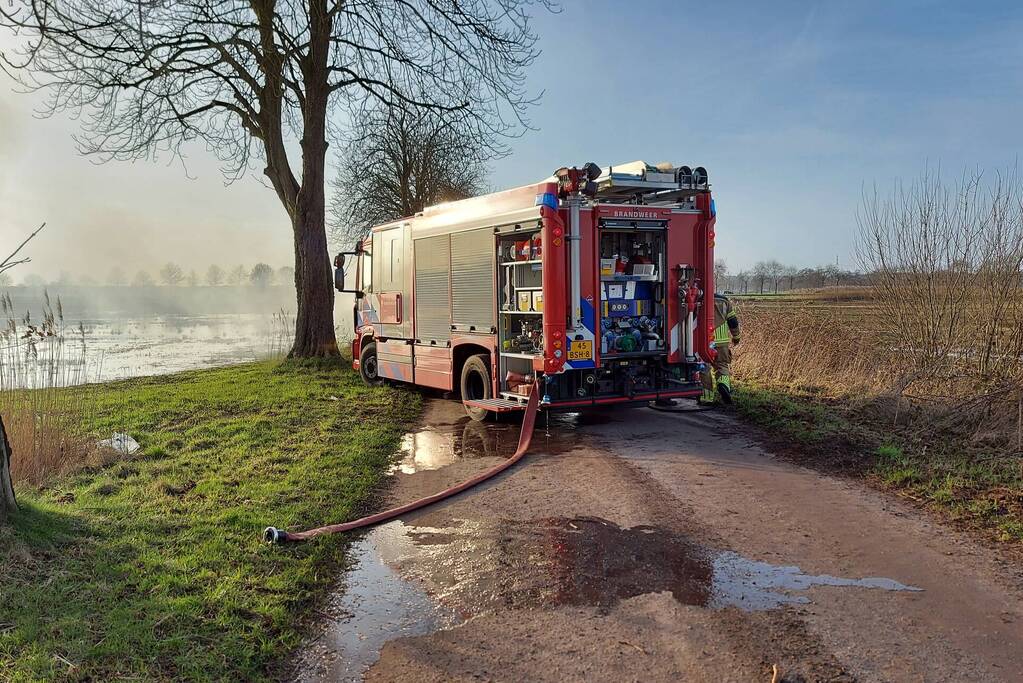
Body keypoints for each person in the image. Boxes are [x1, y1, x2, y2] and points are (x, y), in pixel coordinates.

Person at [700, 293, 741, 405]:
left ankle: (707, 397)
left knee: (704, 367)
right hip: (721, 342)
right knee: (722, 365)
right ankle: (723, 385)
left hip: (704, 342)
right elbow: (733, 321)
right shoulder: (724, 300)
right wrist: (736, 337)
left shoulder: (698, 298)